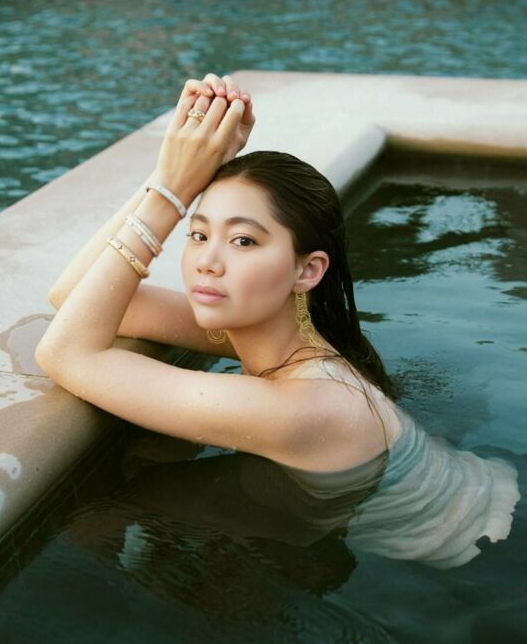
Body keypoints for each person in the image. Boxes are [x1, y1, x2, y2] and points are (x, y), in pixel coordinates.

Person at [35, 72, 401, 472]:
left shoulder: (307, 407)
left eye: (243, 240)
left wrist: (172, 195)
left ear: (308, 270)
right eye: (198, 234)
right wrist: (171, 176)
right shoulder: (274, 335)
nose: (207, 261)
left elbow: (65, 354)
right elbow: (74, 295)